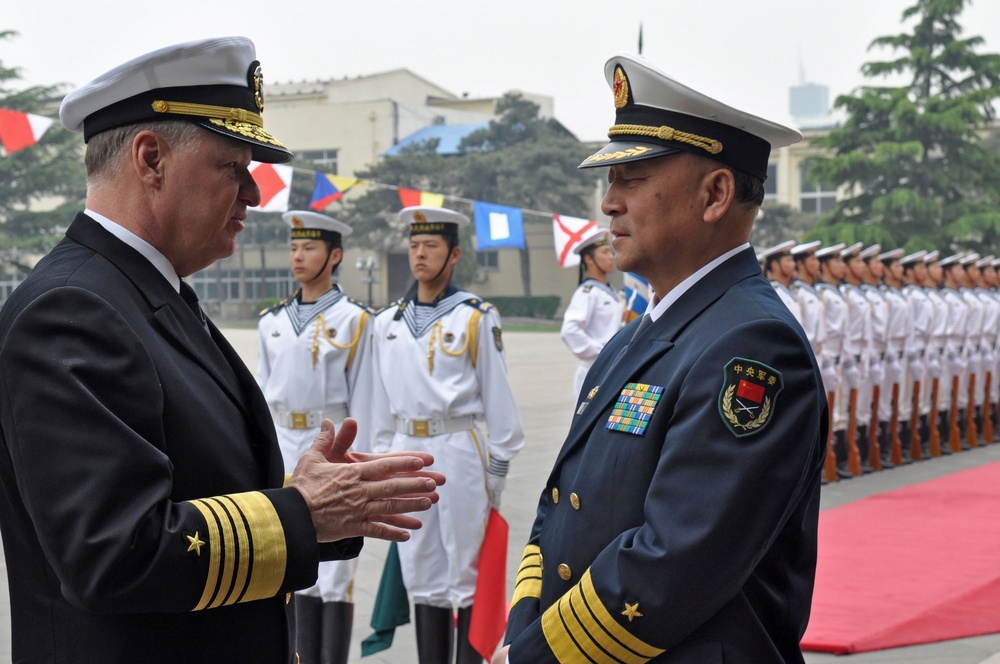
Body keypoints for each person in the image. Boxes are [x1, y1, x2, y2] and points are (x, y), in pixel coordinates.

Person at [0, 37, 444, 664]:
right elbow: (114, 551)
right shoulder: (72, 310)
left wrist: (317, 503)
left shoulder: (143, 292)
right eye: (232, 168)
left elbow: (200, 486)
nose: (255, 195)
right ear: (150, 158)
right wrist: (301, 513)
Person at [498, 53, 826, 663]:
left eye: (632, 178)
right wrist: (522, 627)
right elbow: (560, 510)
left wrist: (533, 654)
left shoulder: (752, 348)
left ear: (715, 194)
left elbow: (675, 559)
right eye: (610, 180)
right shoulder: (633, 339)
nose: (609, 203)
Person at [369, 206, 525, 664]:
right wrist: (381, 460)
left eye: (431, 246)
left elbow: (497, 395)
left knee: (466, 566)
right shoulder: (387, 323)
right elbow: (380, 403)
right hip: (405, 446)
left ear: (453, 254)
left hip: (457, 446)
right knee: (420, 569)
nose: (420, 254)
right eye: (415, 245)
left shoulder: (476, 317)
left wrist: (498, 464)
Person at [256, 210, 373, 663]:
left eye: (309, 247)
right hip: (282, 442)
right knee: (290, 555)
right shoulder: (273, 321)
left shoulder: (355, 321)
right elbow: (262, 397)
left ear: (335, 255)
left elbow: (366, 400)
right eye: (294, 247)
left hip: (330, 444)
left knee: (335, 576)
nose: (298, 256)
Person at [560, 226, 623, 400]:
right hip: (594, 372)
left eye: (610, 252)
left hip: (612, 370)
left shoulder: (609, 292)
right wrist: (602, 351)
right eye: (604, 252)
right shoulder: (587, 293)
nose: (611, 257)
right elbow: (570, 330)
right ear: (588, 259)